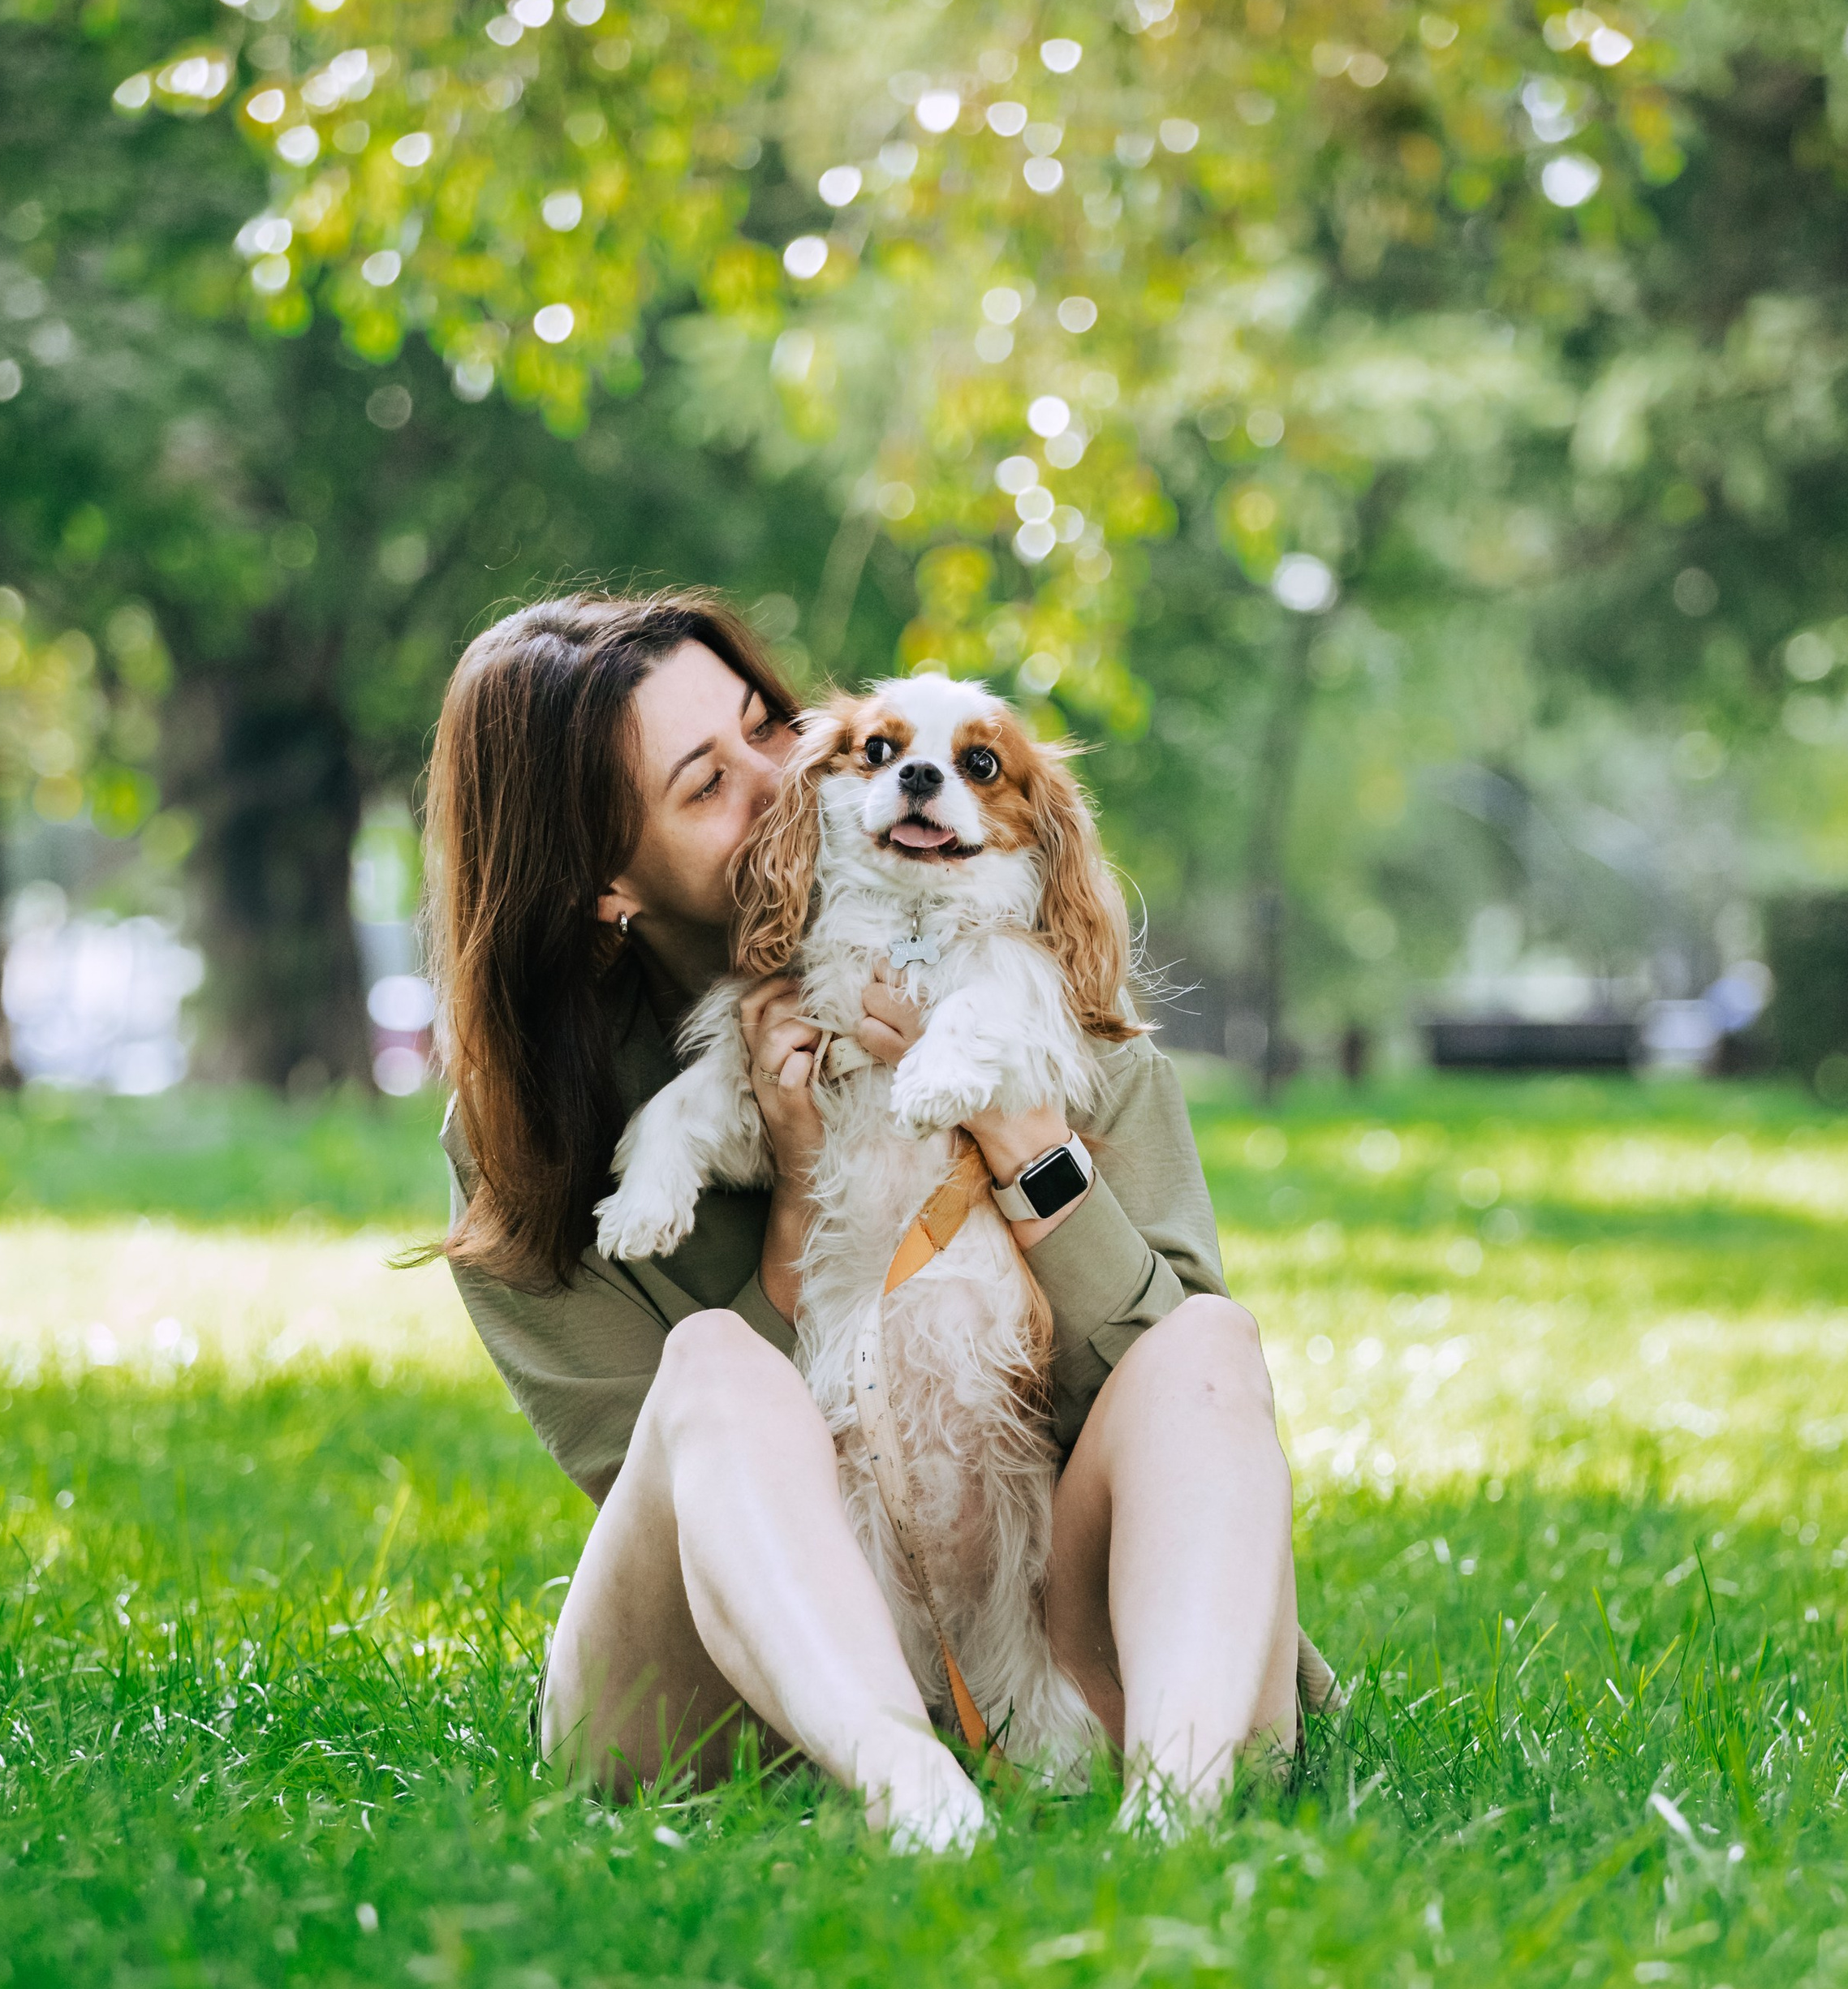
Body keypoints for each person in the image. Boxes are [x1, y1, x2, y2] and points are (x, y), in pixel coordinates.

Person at [428, 588, 1325, 1850]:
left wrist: (1026, 1147)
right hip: (741, 1687)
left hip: (1059, 1633)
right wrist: (799, 1206)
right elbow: (683, 1491)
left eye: (770, 724)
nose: (784, 770)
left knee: (1211, 1341)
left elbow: (1188, 1423)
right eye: (706, 782)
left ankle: (1179, 1796)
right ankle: (906, 1781)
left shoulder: (1051, 1010)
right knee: (710, 1360)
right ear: (600, 881)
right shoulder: (520, 1137)